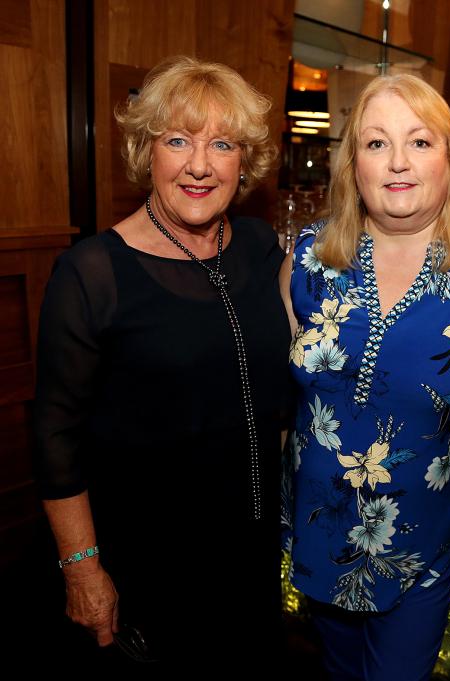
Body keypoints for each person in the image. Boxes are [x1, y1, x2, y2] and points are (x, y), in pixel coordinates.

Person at [34, 56, 290, 666]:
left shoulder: (261, 248)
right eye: (178, 140)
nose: (199, 165)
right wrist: (82, 570)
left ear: (243, 162)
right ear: (148, 153)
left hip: (250, 554)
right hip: (145, 566)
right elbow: (54, 436)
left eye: (221, 144)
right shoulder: (94, 273)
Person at [279, 73, 450, 681]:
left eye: (420, 141)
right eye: (377, 143)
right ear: (353, 162)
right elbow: (284, 402)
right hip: (320, 532)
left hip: (423, 547)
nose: (398, 162)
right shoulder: (307, 259)